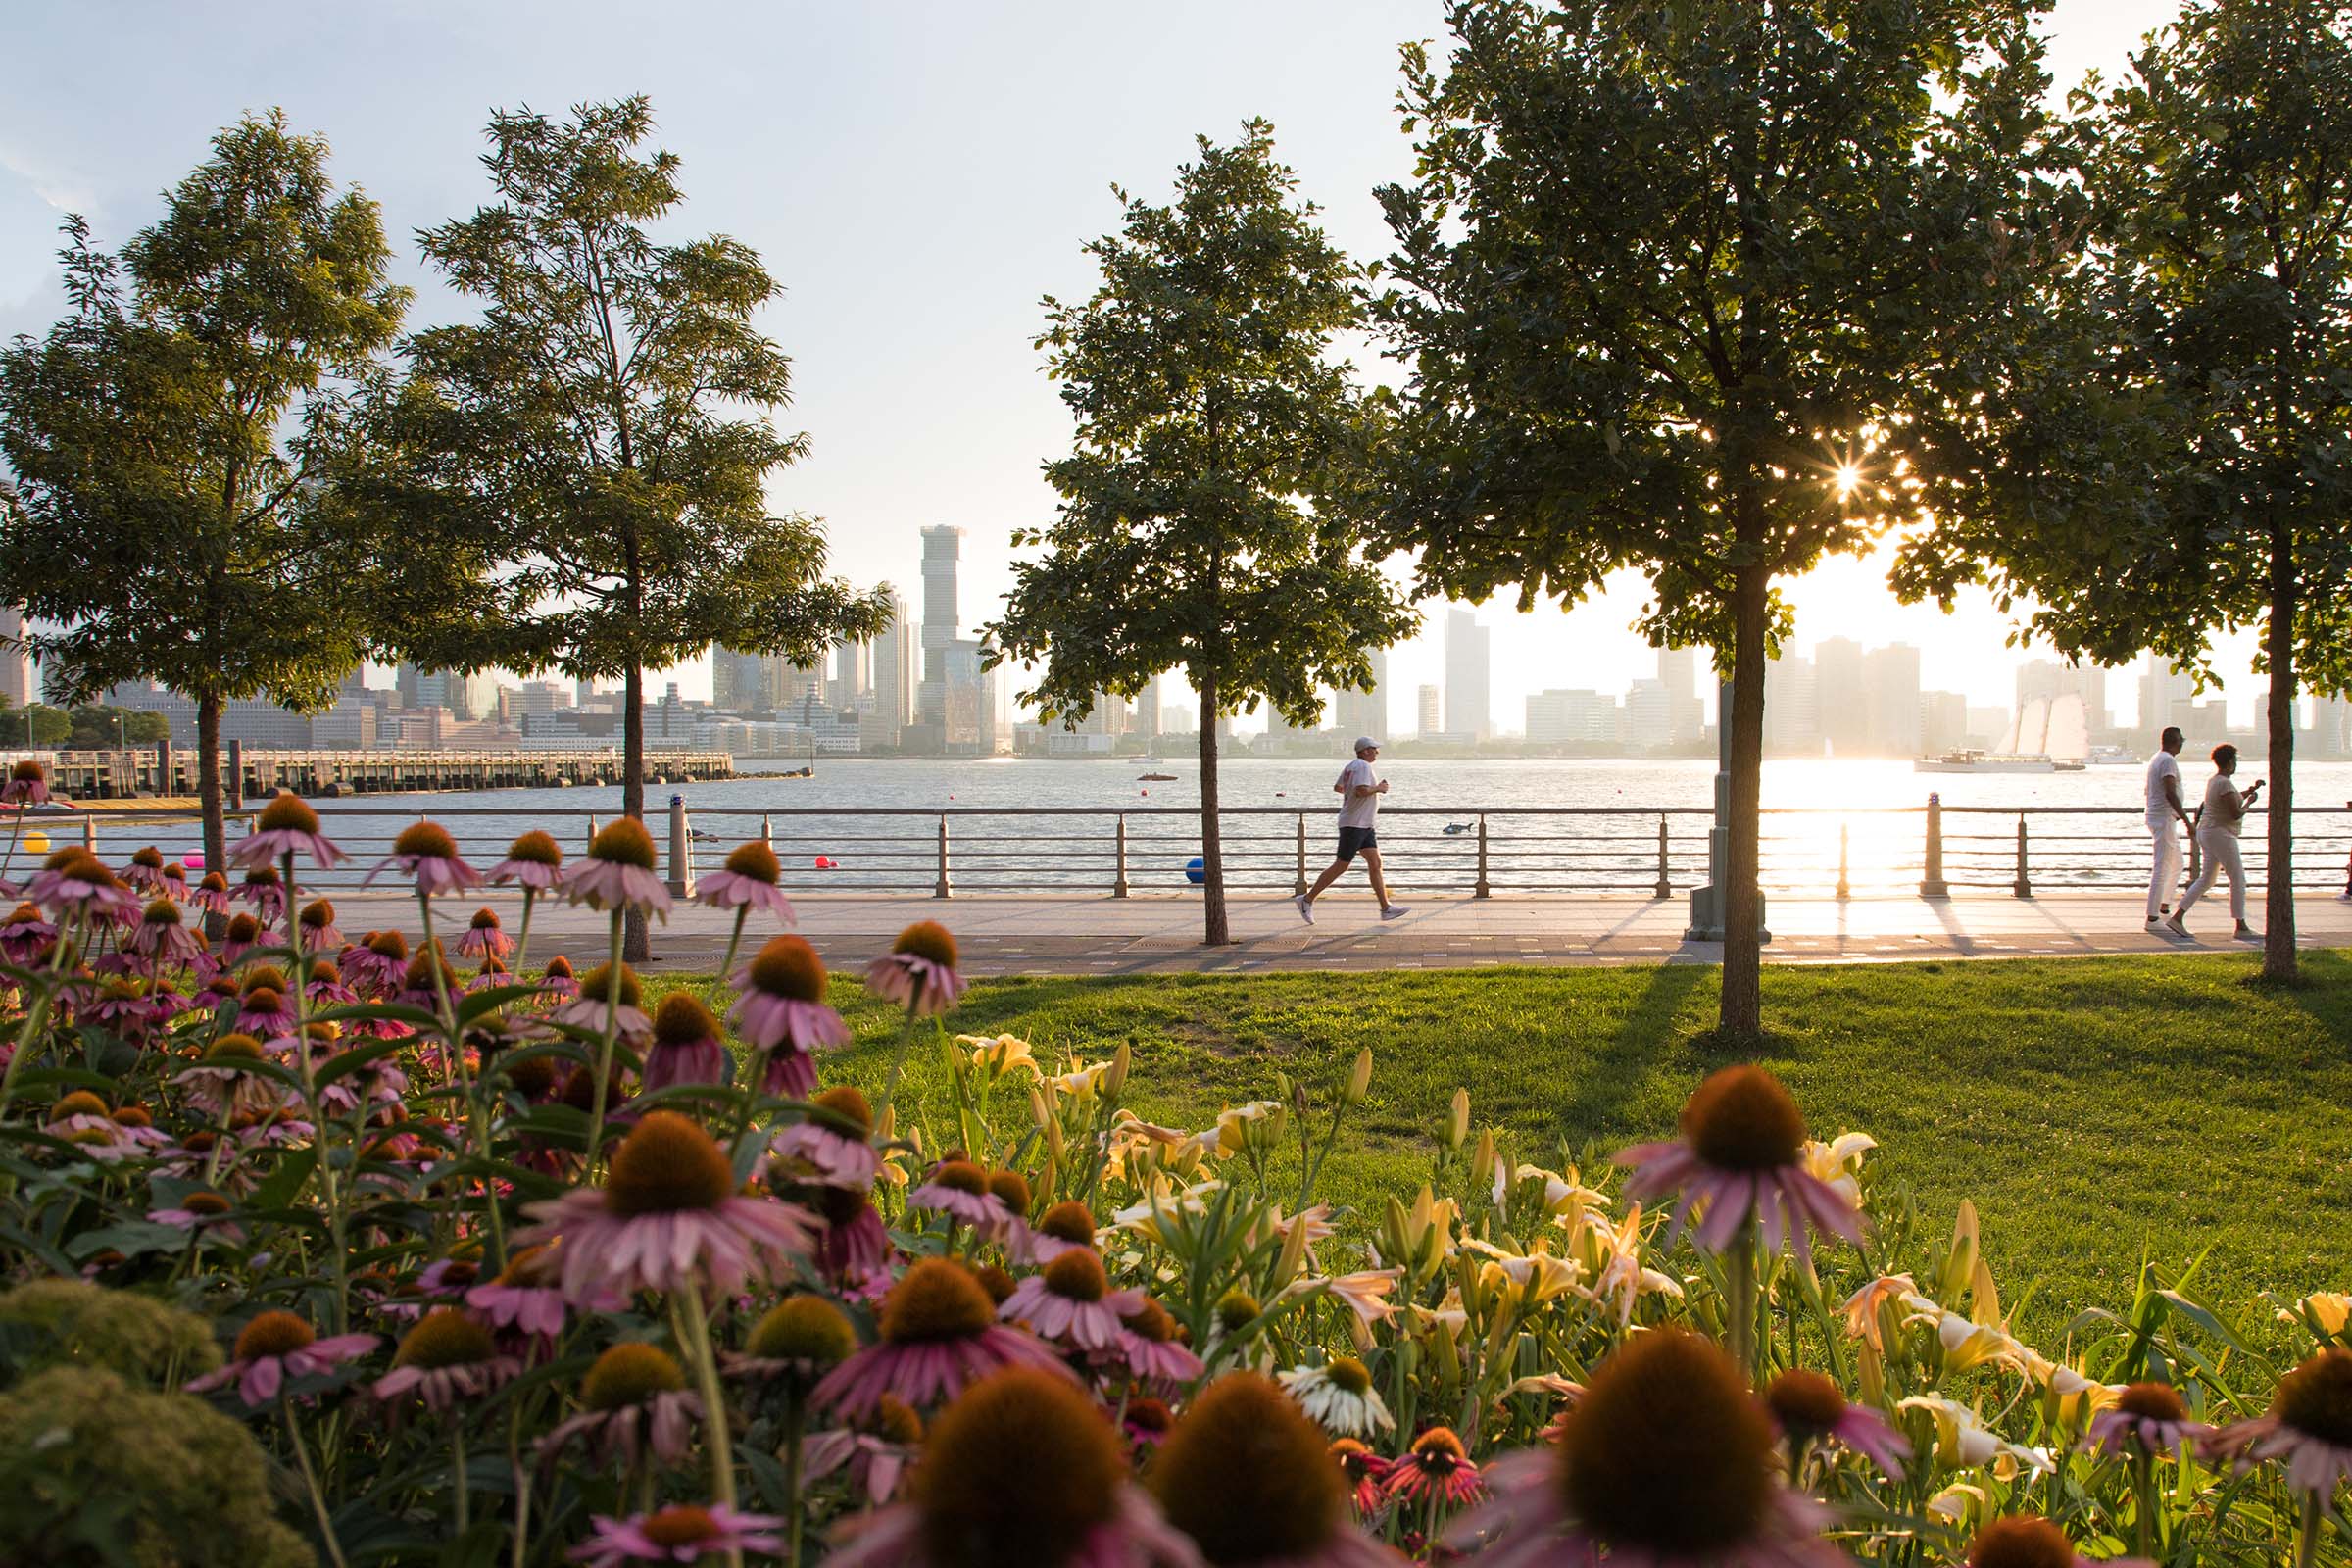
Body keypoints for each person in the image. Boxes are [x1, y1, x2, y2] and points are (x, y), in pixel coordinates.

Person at [1295, 736, 1408, 924]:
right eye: (1374, 749)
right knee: (1341, 865)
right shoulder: (1362, 766)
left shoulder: (1351, 766)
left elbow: (1339, 787)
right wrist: (1379, 788)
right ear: (1365, 751)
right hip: (1354, 824)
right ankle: (1306, 900)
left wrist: (1355, 794)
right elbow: (1361, 791)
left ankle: (1386, 908)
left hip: (1364, 824)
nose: (1377, 752)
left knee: (1375, 863)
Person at [2167, 743, 2262, 941]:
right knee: (2238, 878)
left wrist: (2248, 791)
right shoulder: (2224, 783)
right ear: (2229, 763)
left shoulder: (2215, 781)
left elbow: (2231, 799)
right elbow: (2236, 812)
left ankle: (2178, 917)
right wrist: (2250, 803)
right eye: (2235, 761)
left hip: (2207, 832)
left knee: (2207, 879)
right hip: (2220, 834)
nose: (2236, 764)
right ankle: (2241, 925)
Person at [2143, 726, 2192, 926]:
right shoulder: (2167, 761)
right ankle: (2152, 917)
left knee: (2177, 864)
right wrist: (2187, 820)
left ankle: (2163, 905)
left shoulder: (2158, 758)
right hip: (2163, 818)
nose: (2183, 743)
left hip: (2164, 818)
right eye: (2182, 740)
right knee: (2162, 866)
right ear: (2175, 741)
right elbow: (2170, 792)